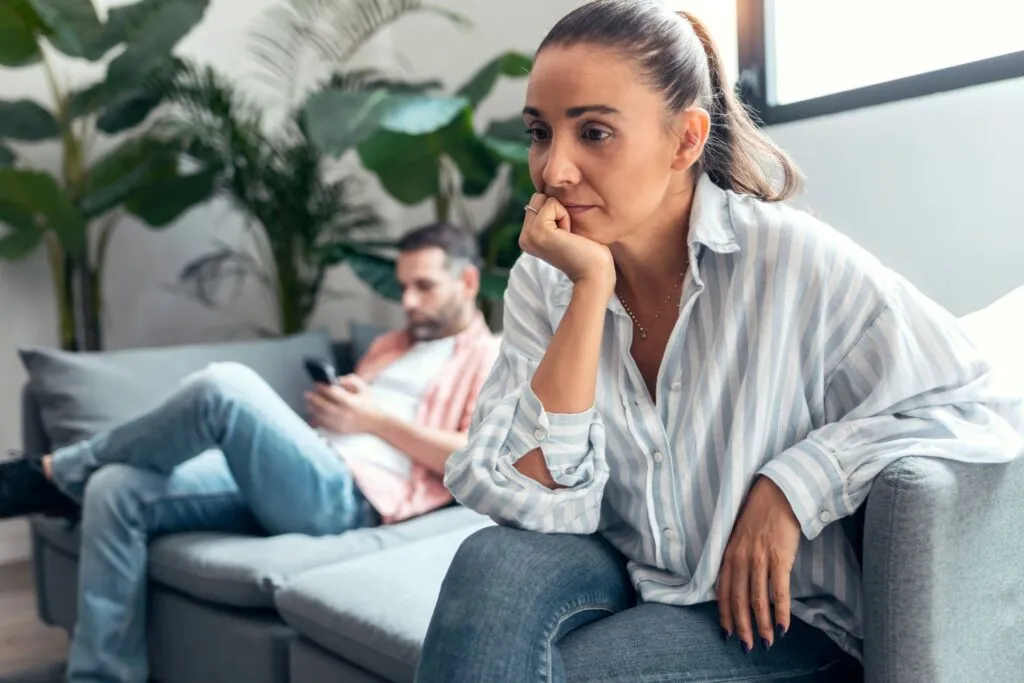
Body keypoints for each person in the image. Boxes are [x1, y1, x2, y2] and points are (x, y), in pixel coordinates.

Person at [414, 2, 1024, 683]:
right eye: (539, 132)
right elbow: (532, 505)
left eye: (593, 132)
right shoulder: (547, 278)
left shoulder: (790, 260)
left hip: (776, 622)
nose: (554, 169)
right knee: (488, 560)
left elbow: (983, 404)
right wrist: (588, 292)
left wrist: (797, 481)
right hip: (628, 565)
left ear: (685, 140)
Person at [0, 221, 500, 683]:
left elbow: (473, 456)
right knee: (115, 487)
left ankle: (51, 471)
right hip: (305, 466)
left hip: (348, 494)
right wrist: (336, 411)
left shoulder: (493, 356)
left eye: (425, 286)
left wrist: (374, 420)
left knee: (224, 385)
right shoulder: (393, 344)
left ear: (469, 282)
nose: (409, 301)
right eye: (403, 286)